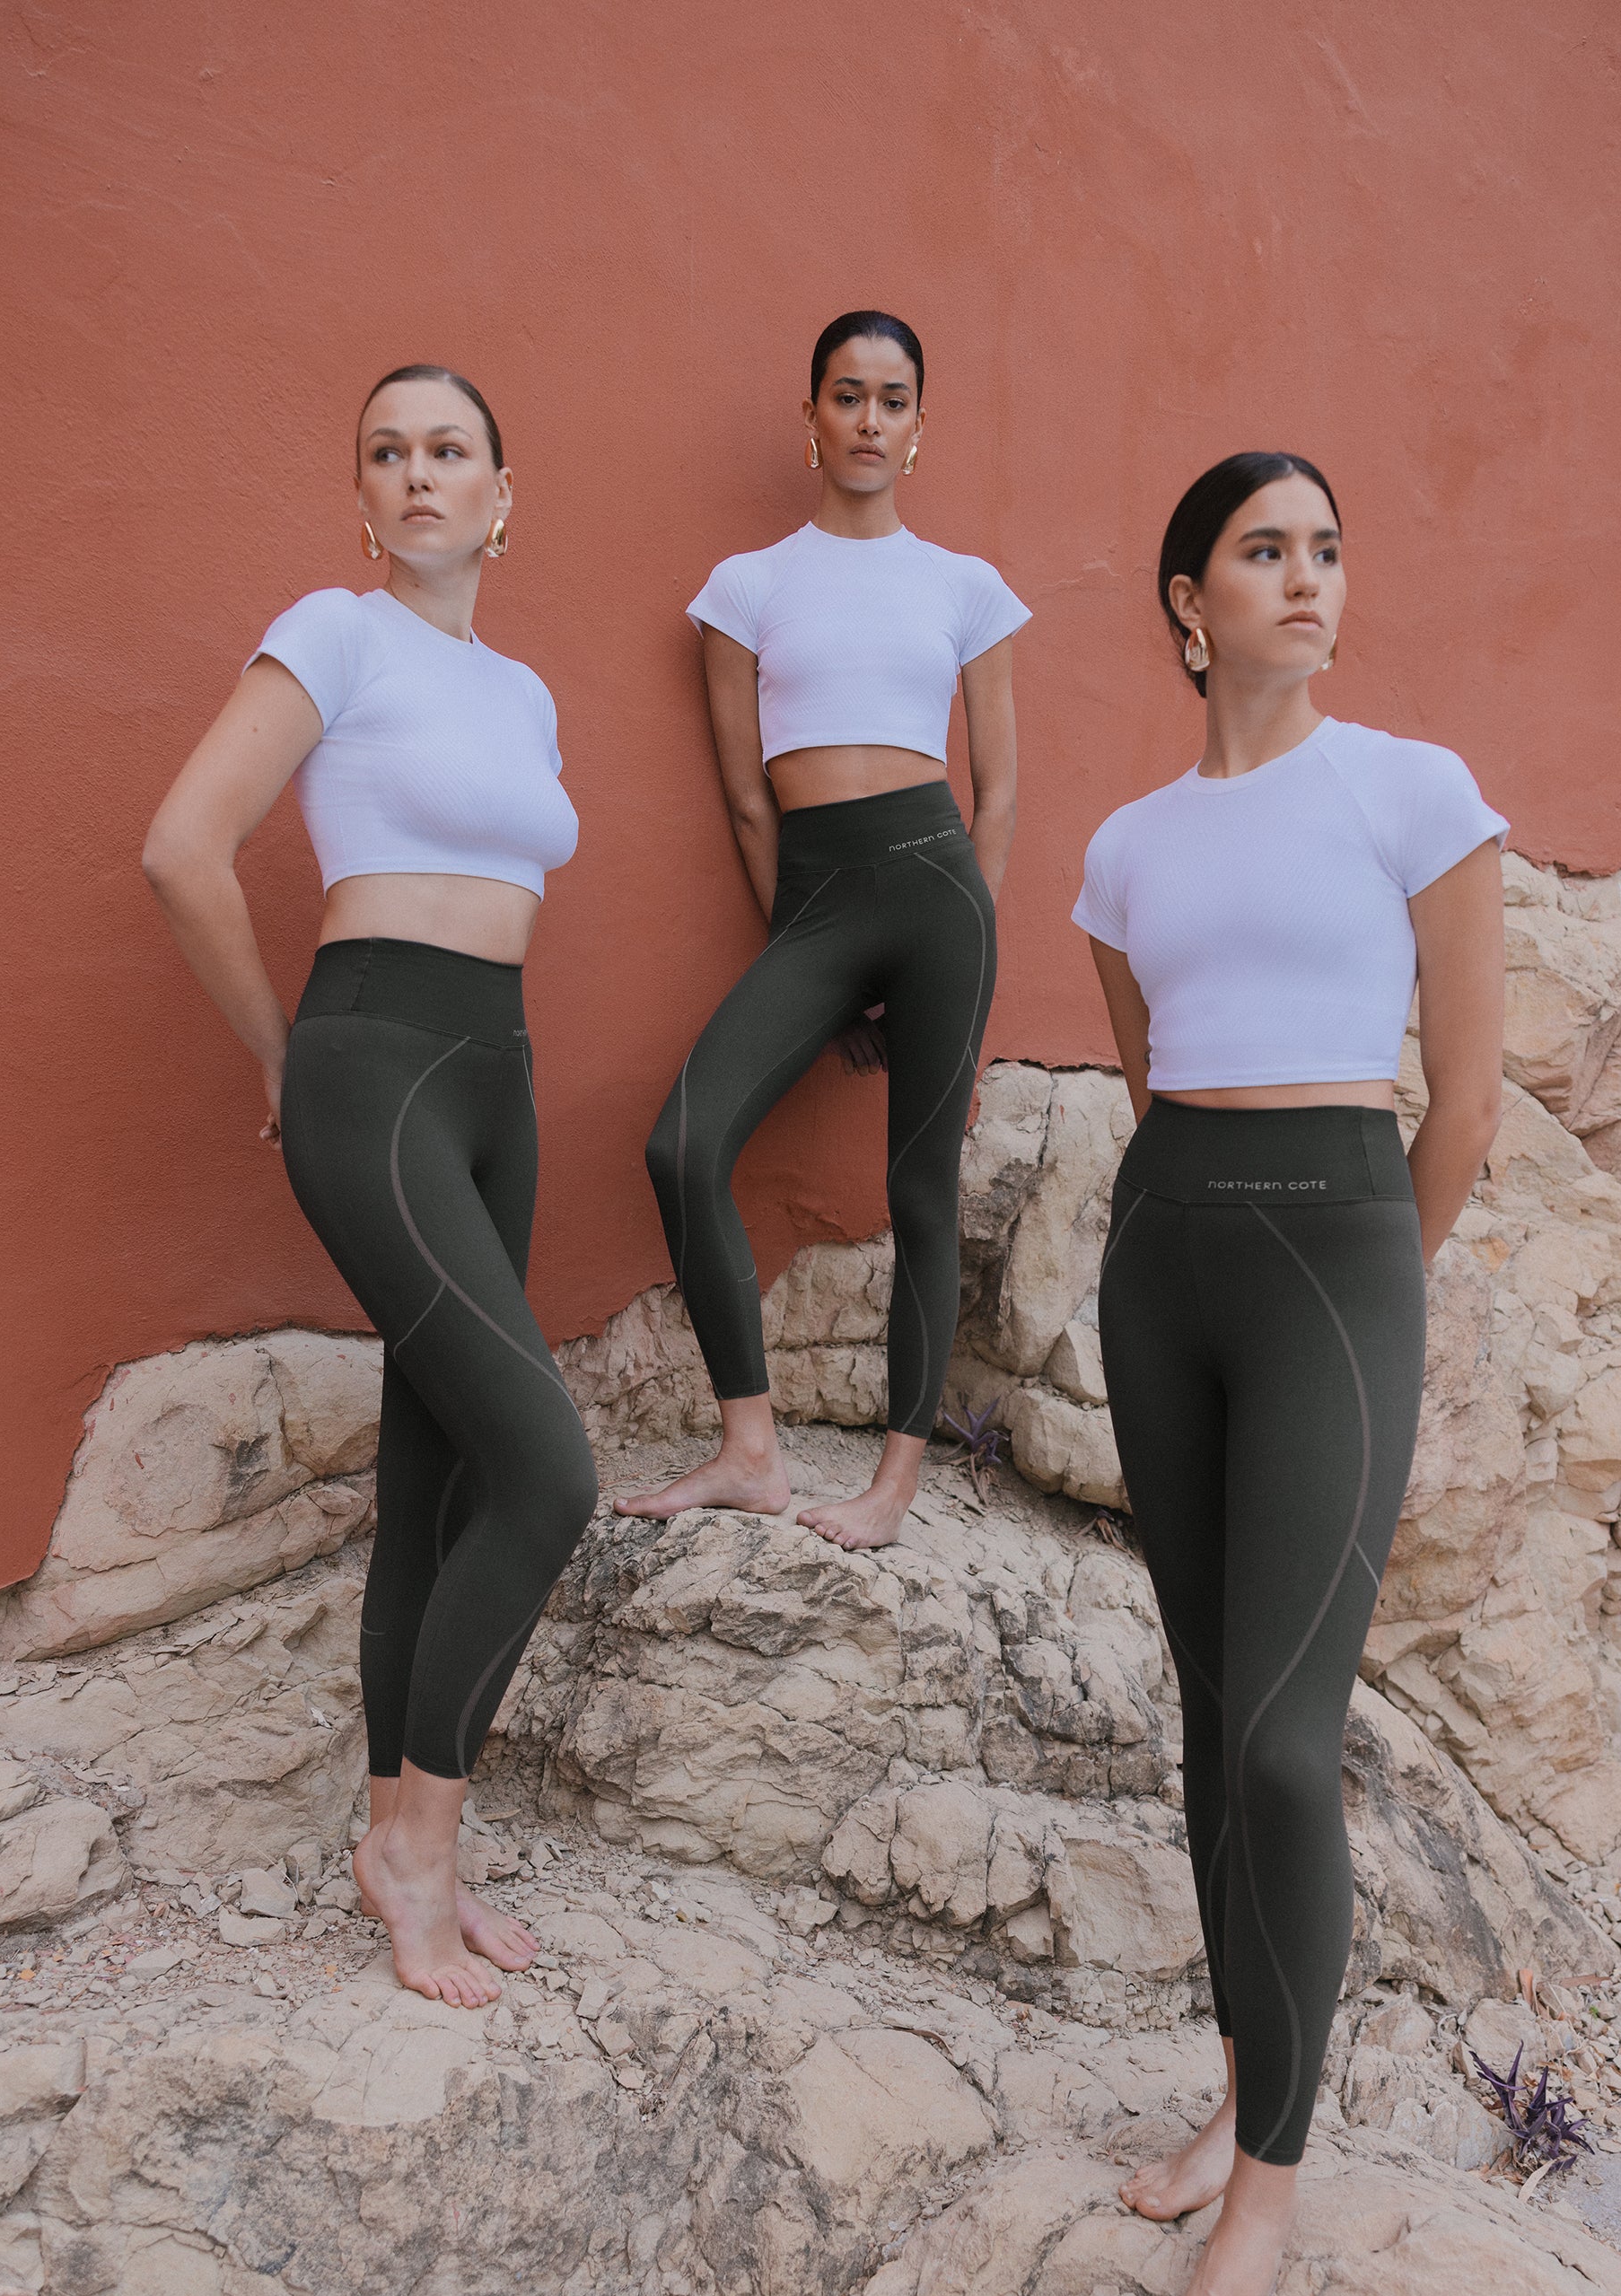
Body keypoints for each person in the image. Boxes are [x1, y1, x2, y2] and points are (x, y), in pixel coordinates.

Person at [1075, 451, 1506, 2296]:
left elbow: (1467, 1104)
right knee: (1203, 1715)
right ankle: (1247, 2071)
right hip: (1165, 1257)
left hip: (1338, 1256)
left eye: (1329, 545)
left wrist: (1369, 1292)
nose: (1309, 577)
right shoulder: (1124, 846)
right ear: (1188, 602)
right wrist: (1218, 1235)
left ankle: (1267, 2197)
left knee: (1279, 1735)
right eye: (1265, 551)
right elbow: (1151, 1067)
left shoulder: (1412, 792)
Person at [144, 364, 599, 2008]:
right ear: (362, 500)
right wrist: (281, 1054)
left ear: (500, 495)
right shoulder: (331, 632)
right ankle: (410, 1841)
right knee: (549, 1471)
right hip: (371, 1063)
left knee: (450, 1476)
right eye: (387, 454)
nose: (420, 475)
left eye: (451, 450)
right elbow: (182, 845)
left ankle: (414, 1841)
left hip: (499, 1076)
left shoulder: (527, 693)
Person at [615, 309, 1028, 1549]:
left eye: (891, 399)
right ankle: (751, 1448)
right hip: (816, 898)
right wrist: (808, 953)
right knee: (681, 1145)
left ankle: (894, 1489)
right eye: (845, 396)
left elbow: (997, 791)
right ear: (811, 418)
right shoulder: (746, 588)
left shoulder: (968, 587)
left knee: (920, 1186)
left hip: (940, 890)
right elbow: (748, 797)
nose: (867, 420)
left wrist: (968, 934)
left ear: (918, 427)